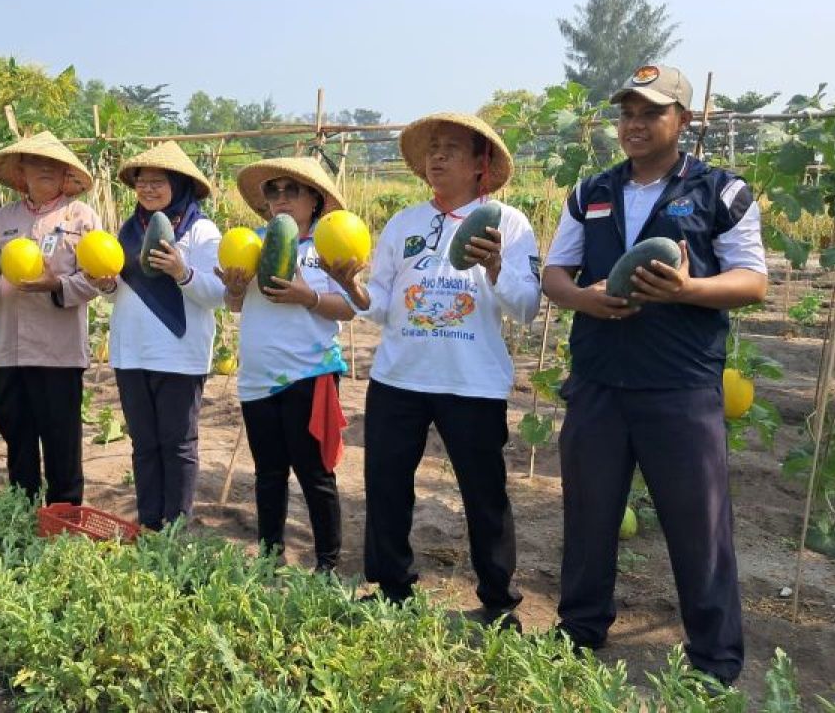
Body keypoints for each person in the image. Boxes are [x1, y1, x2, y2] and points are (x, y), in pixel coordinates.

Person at [542, 65, 767, 685]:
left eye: (651, 113)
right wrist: (584, 299)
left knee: (700, 528)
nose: (635, 125)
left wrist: (690, 288)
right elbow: (555, 274)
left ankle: (714, 660)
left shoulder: (723, 191)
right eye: (628, 114)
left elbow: (752, 280)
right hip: (598, 382)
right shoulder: (590, 190)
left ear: (683, 122)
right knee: (588, 516)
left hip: (681, 386)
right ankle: (580, 629)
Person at [325, 113, 540, 623]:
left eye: (451, 148)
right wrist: (351, 286)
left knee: (484, 493)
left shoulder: (508, 224)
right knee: (385, 485)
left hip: (473, 382)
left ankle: (497, 602)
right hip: (398, 378)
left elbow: (527, 307)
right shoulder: (404, 223)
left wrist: (493, 269)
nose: (437, 156)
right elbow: (378, 303)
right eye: (432, 149)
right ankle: (391, 588)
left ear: (480, 164)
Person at [216, 157, 354, 572]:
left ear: (315, 199)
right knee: (268, 474)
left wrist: (307, 296)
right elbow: (235, 305)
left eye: (291, 190)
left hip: (310, 375)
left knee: (315, 474)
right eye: (272, 191)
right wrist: (235, 291)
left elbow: (347, 308)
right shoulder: (252, 244)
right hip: (258, 377)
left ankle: (327, 564)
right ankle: (270, 558)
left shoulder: (328, 247)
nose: (280, 199)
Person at [97, 142, 225, 531]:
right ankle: (150, 524)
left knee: (178, 444)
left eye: (158, 182)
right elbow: (120, 289)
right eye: (142, 182)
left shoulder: (202, 231)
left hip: (180, 354)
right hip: (131, 351)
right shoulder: (126, 230)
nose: (148, 189)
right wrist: (105, 284)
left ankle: (177, 528)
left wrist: (181, 271)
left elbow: (217, 294)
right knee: (144, 445)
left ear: (180, 184)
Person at [0, 132, 101, 504]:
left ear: (66, 174)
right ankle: (21, 513)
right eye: (35, 162)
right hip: (9, 352)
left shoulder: (81, 217)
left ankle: (64, 516)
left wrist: (55, 284)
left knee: (62, 440)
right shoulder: (2, 219)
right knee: (17, 438)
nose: (45, 168)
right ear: (21, 173)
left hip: (57, 352)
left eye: (54, 165)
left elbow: (96, 280)